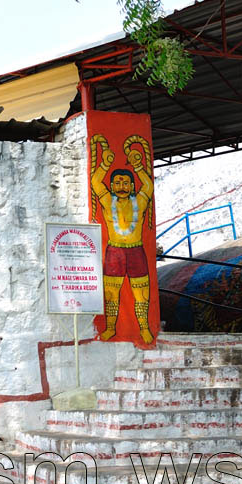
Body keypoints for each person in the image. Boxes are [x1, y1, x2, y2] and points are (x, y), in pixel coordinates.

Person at [89, 133, 154, 343]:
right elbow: (96, 181)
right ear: (113, 185)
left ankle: (144, 327)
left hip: (136, 251)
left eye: (126, 182)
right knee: (111, 294)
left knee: (142, 294)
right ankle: (110, 328)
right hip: (114, 251)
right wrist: (105, 163)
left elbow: (149, 186)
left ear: (132, 185)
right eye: (117, 182)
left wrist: (137, 167)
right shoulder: (108, 201)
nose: (122, 186)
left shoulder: (141, 201)